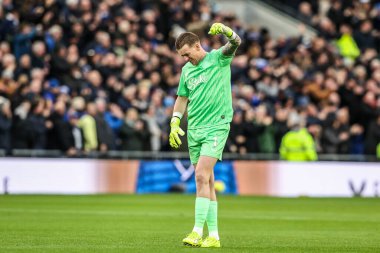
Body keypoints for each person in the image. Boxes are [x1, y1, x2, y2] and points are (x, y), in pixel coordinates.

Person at [169, 23, 241, 248]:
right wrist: (174, 121)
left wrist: (227, 32)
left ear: (197, 45)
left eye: (187, 54)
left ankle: (196, 231)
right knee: (207, 180)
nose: (185, 59)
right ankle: (214, 237)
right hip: (195, 130)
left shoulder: (218, 59)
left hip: (217, 126)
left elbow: (236, 43)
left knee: (200, 175)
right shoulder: (186, 71)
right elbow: (182, 98)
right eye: (182, 56)